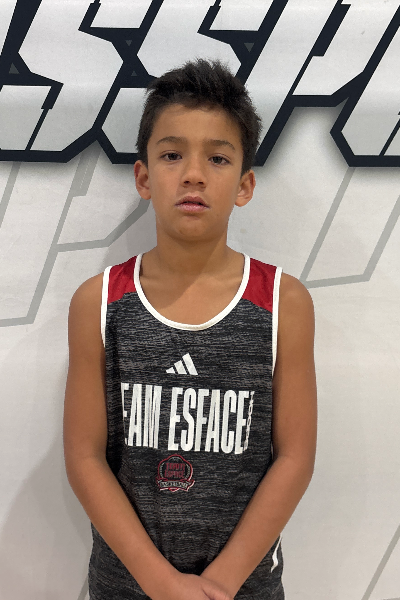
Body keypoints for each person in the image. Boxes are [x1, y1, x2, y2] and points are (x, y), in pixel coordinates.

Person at [63, 59, 317, 600]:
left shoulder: (284, 302)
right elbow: (84, 457)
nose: (194, 174)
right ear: (143, 177)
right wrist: (160, 583)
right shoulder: (98, 304)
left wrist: (220, 583)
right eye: (172, 154)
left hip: (243, 587)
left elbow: (295, 458)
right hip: (126, 586)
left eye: (218, 158)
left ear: (245, 185)